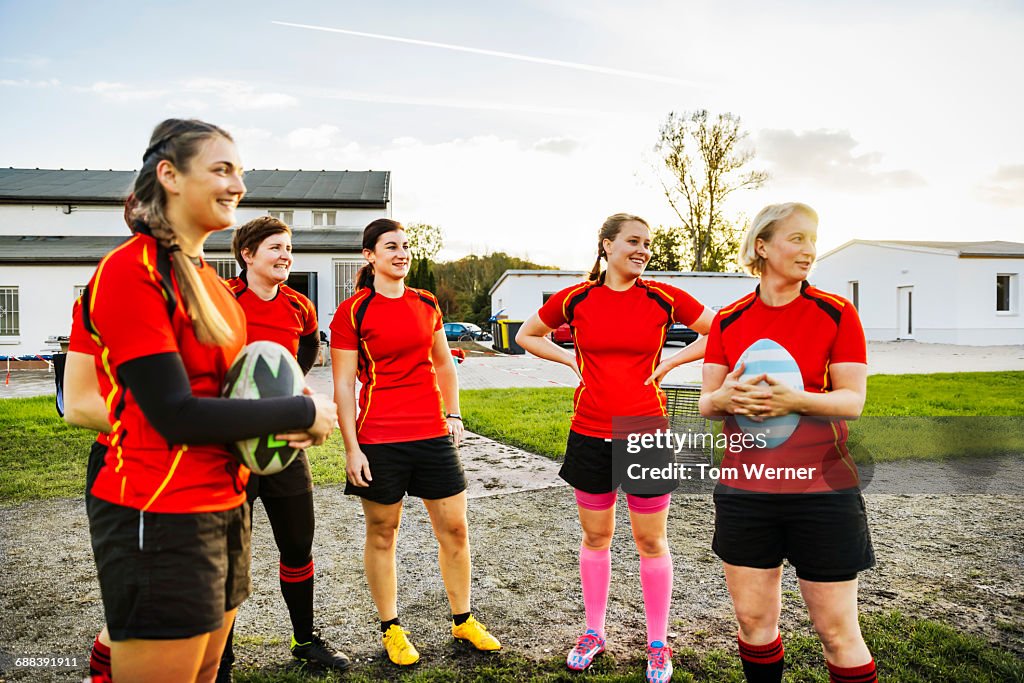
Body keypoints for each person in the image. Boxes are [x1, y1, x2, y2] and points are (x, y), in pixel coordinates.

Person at [80, 119, 338, 683]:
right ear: (169, 176)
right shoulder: (131, 272)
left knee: (205, 672)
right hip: (158, 509)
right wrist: (300, 412)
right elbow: (172, 414)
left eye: (239, 172)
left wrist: (288, 421)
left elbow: (236, 394)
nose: (237, 184)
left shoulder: (213, 285)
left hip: (224, 502)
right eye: (222, 169)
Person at [515, 213, 714, 683]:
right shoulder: (576, 298)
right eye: (633, 241)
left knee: (651, 541)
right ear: (606, 245)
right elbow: (527, 335)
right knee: (596, 538)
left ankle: (658, 643)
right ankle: (593, 632)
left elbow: (719, 330)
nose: (643, 250)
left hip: (646, 431)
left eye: (648, 243)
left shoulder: (662, 297)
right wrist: (568, 359)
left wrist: (670, 363)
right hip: (589, 431)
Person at [699, 202, 876, 683]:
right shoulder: (728, 321)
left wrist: (793, 401)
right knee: (753, 624)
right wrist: (725, 396)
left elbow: (852, 401)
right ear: (762, 246)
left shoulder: (836, 312)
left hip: (822, 492)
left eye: (813, 240)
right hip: (747, 492)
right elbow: (706, 403)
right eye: (796, 238)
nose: (809, 250)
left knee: (837, 631)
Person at [330, 218, 501, 667]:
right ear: (370, 256)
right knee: (383, 533)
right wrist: (351, 447)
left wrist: (454, 413)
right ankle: (391, 628)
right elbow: (344, 385)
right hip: (379, 439)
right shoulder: (352, 312)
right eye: (391, 246)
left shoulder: (426, 302)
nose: (401, 253)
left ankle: (463, 619)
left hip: (431, 435)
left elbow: (444, 364)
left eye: (406, 246)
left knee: (456, 529)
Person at [216, 216, 350, 678]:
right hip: (230, 449)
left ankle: (304, 640)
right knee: (229, 556)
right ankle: (222, 658)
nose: (284, 255)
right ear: (247, 255)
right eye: (274, 247)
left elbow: (306, 354)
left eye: (288, 247)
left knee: (297, 546)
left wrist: (290, 396)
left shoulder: (299, 306)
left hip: (285, 448)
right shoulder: (222, 301)